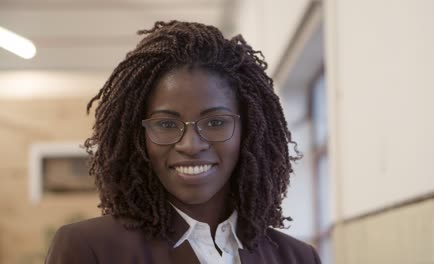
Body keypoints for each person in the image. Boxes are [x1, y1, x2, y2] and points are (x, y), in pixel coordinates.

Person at [45, 20, 321, 264]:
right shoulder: (90, 249)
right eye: (166, 124)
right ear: (137, 137)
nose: (190, 145)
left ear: (247, 131)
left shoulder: (297, 258)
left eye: (215, 122)